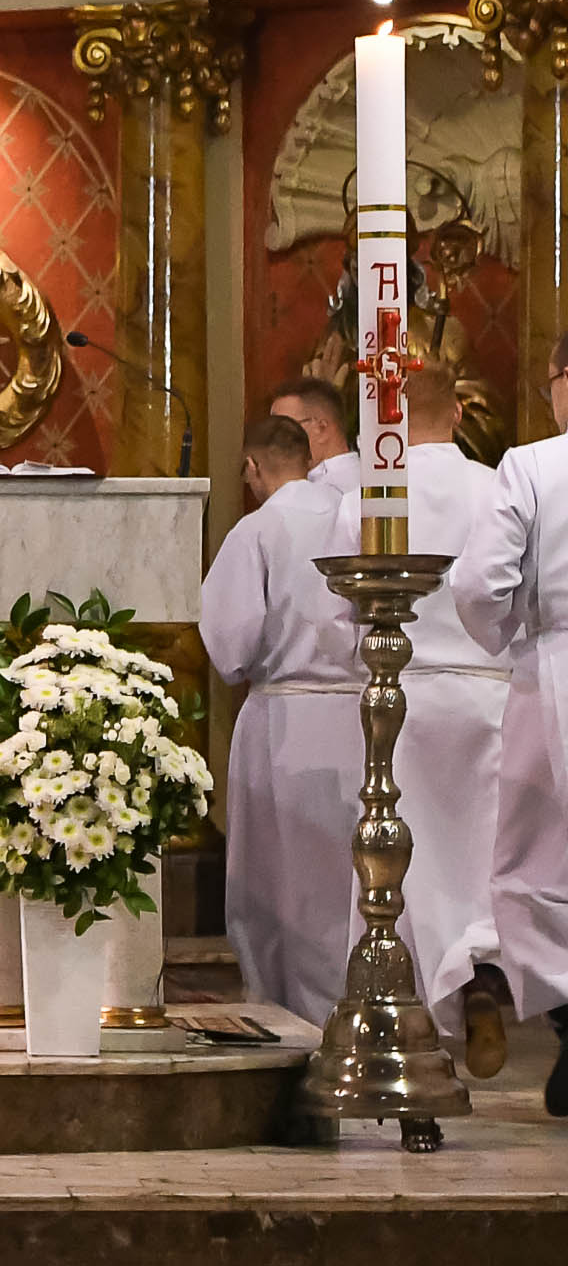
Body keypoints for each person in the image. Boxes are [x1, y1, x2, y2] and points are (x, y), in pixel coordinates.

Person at [324, 365, 513, 1074]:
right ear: (459, 415)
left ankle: (419, 1016)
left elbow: (339, 616)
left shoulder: (369, 497)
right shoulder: (497, 487)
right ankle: (484, 972)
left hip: (404, 693)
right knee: (487, 853)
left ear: (389, 424)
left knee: (408, 858)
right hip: (490, 691)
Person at [200, 415, 359, 1024]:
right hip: (362, 715)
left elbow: (231, 646)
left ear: (253, 467)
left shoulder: (257, 529)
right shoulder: (356, 516)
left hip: (284, 717)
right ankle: (359, 1008)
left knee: (277, 881)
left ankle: (289, 1017)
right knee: (349, 875)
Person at [451, 332, 568, 1116]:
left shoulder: (532, 465)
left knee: (540, 864)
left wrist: (509, 633)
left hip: (556, 669)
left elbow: (478, 583)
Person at [270, 375, 360, 494]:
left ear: (321, 428)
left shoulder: (332, 490)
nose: (273, 442)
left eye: (284, 429)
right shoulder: (366, 476)